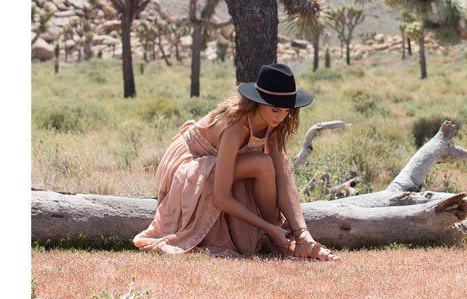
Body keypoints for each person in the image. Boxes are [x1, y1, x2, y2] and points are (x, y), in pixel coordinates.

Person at [133, 63, 340, 261]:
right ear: (259, 102)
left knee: (274, 165)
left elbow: (283, 175)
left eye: (287, 110)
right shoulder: (235, 129)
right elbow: (220, 197)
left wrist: (302, 231)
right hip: (190, 164)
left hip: (222, 164)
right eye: (276, 109)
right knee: (262, 164)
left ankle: (287, 240)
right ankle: (275, 234)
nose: (282, 116)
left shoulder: (273, 124)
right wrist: (270, 229)